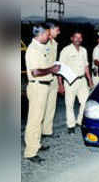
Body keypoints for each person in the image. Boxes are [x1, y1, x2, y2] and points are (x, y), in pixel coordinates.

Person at [24, 25, 61, 163]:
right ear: (40, 34)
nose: (48, 36)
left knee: (39, 118)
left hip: (44, 86)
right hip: (37, 86)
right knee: (34, 120)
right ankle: (30, 152)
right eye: (46, 34)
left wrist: (51, 69)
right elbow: (35, 72)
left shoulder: (41, 47)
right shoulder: (33, 50)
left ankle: (36, 144)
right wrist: (52, 69)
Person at [59, 32, 94, 134]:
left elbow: (86, 67)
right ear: (71, 38)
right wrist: (60, 84)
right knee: (69, 104)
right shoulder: (66, 50)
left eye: (80, 37)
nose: (78, 39)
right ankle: (71, 125)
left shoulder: (84, 50)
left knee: (85, 102)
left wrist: (90, 80)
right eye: (76, 37)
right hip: (70, 81)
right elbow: (60, 68)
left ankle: (79, 121)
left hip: (82, 80)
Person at [41, 22, 62, 139]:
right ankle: (37, 133)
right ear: (51, 29)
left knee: (51, 106)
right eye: (57, 30)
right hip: (44, 77)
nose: (59, 32)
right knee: (41, 107)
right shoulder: (43, 43)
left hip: (53, 77)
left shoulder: (54, 43)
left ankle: (47, 131)